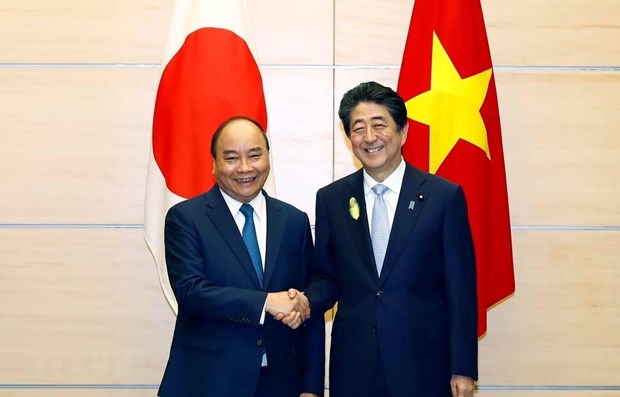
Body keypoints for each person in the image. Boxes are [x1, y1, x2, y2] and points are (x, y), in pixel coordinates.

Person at [304, 81, 478, 397]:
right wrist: (303, 302)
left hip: (423, 363)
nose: (369, 138)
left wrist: (463, 367)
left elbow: (461, 291)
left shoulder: (444, 197)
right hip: (354, 365)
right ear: (349, 138)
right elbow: (327, 278)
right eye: (358, 128)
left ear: (403, 131)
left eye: (379, 125)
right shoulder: (331, 199)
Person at [158, 116, 324, 397]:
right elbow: (191, 292)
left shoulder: (294, 221)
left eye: (255, 155)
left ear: (268, 158)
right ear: (214, 164)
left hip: (281, 382)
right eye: (232, 158)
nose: (245, 168)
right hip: (209, 380)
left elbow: (306, 304)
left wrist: (311, 386)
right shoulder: (186, 218)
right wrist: (267, 302)